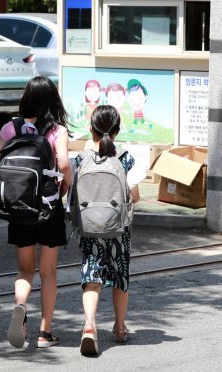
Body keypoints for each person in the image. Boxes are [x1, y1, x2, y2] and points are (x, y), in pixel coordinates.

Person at [0, 75, 72, 349]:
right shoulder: (57, 131)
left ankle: (21, 308)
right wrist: (61, 192)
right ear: (52, 100)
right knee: (48, 272)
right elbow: (63, 166)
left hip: (18, 207)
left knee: (25, 270)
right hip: (48, 208)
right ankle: (44, 333)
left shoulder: (10, 128)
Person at [78, 105, 141, 356]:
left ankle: (90, 326)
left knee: (91, 276)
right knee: (120, 277)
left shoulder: (81, 159)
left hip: (89, 226)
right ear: (116, 130)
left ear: (91, 129)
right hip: (118, 229)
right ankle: (119, 327)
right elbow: (134, 195)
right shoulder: (125, 158)